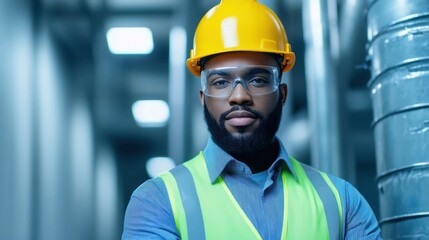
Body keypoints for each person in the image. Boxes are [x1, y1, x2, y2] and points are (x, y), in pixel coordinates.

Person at [122, 0, 382, 239]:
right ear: (203, 97)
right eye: (221, 82)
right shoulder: (158, 202)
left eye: (257, 80)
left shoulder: (342, 203)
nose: (239, 96)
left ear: (282, 93)